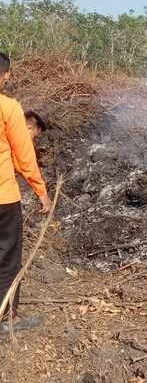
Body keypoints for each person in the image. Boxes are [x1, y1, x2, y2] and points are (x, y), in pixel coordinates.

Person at [0, 53, 51, 335]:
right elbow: (23, 155)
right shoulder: (9, 107)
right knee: (7, 258)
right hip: (3, 198)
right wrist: (41, 191)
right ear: (5, 75)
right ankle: (7, 318)